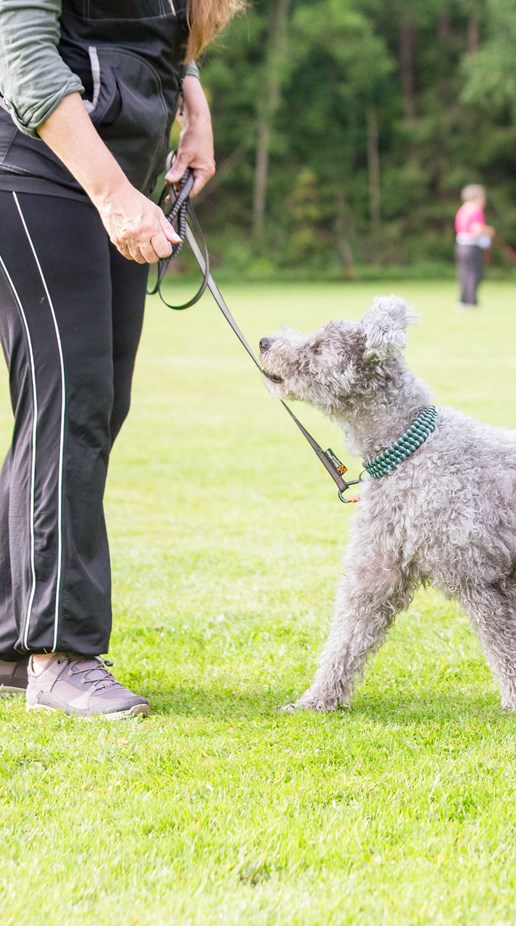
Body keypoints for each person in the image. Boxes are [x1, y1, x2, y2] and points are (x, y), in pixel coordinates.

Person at [0, 0, 242, 716]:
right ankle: (60, 656)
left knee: (90, 409)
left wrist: (191, 101)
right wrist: (112, 196)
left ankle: (15, 642)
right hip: (39, 172)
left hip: (120, 178)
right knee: (69, 403)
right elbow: (23, 55)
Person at [454, 184, 494, 310]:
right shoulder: (476, 210)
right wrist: (488, 231)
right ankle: (472, 302)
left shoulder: (462, 209)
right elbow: (476, 229)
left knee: (463, 274)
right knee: (474, 274)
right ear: (477, 198)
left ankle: (462, 301)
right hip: (472, 246)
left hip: (461, 245)